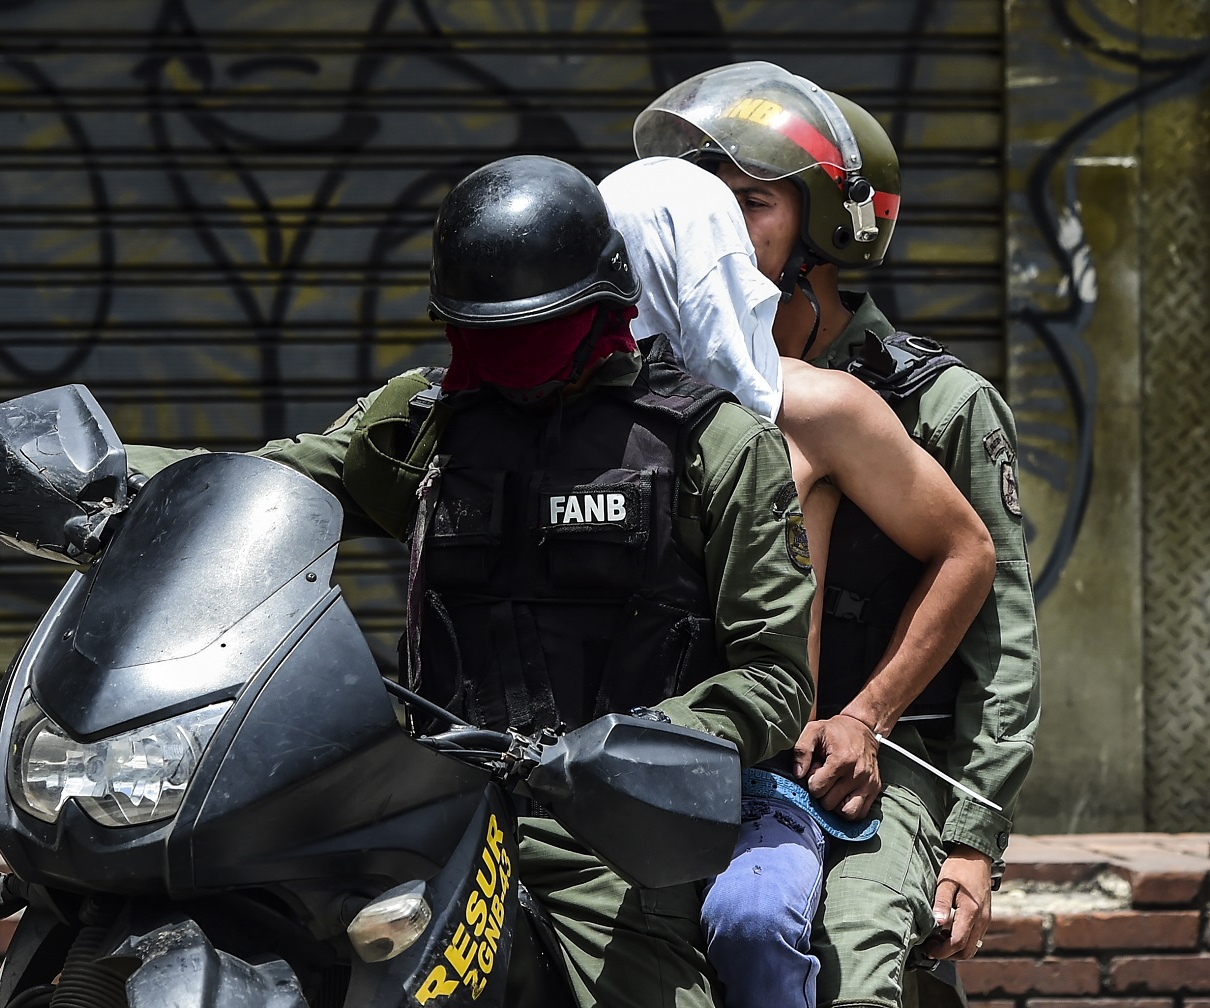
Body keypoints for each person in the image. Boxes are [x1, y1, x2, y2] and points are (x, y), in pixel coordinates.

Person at [130, 154, 816, 1008]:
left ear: (602, 304)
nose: (505, 351)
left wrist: (635, 743)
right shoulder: (428, 423)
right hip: (419, 810)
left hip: (604, 839)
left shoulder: (714, 445)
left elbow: (776, 677)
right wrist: (113, 479)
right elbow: (265, 487)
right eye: (482, 328)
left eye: (534, 325)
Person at [633, 61, 1042, 1007]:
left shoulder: (934, 403)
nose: (722, 227)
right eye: (707, 202)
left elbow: (1004, 632)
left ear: (824, 227)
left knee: (857, 968)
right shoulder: (670, 390)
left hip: (884, 771)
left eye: (755, 202)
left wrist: (974, 838)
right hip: (709, 767)